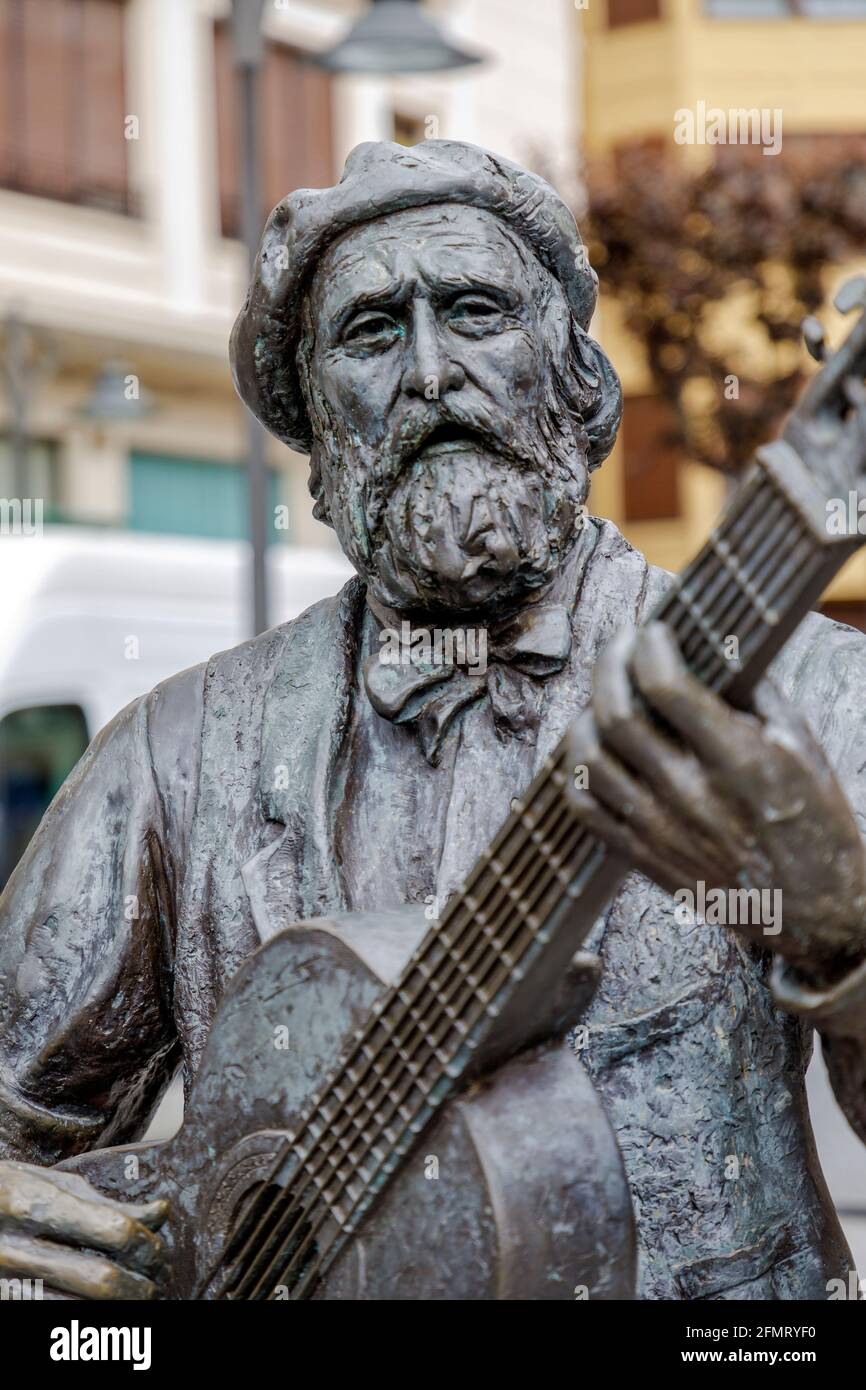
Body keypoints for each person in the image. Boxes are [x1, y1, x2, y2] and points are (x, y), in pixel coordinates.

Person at [2, 140, 866, 1300]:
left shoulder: (807, 698)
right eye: (369, 332)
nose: (428, 370)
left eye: (474, 312)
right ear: (312, 422)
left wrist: (843, 939)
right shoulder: (169, 760)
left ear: (573, 375)